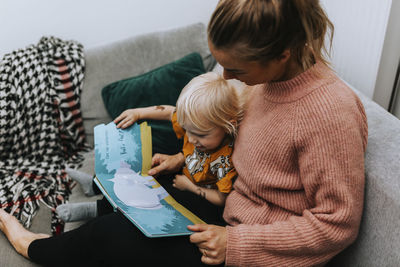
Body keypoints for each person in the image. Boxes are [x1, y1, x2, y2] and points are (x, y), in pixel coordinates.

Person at [0, 0, 368, 266]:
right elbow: (241, 146)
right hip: (227, 213)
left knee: (109, 238)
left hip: (253, 244)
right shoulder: (264, 82)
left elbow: (336, 224)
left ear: (282, 54)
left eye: (235, 68)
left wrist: (236, 245)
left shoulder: (330, 113)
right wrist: (180, 159)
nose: (225, 77)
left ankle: (32, 247)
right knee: (136, 191)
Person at [55, 72, 241, 223]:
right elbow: (170, 112)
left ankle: (95, 209)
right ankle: (95, 184)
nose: (191, 139)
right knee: (141, 169)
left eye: (200, 135)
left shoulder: (223, 160)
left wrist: (190, 187)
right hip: (182, 174)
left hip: (196, 197)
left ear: (228, 126)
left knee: (147, 195)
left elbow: (221, 198)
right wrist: (138, 113)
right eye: (187, 130)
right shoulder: (198, 125)